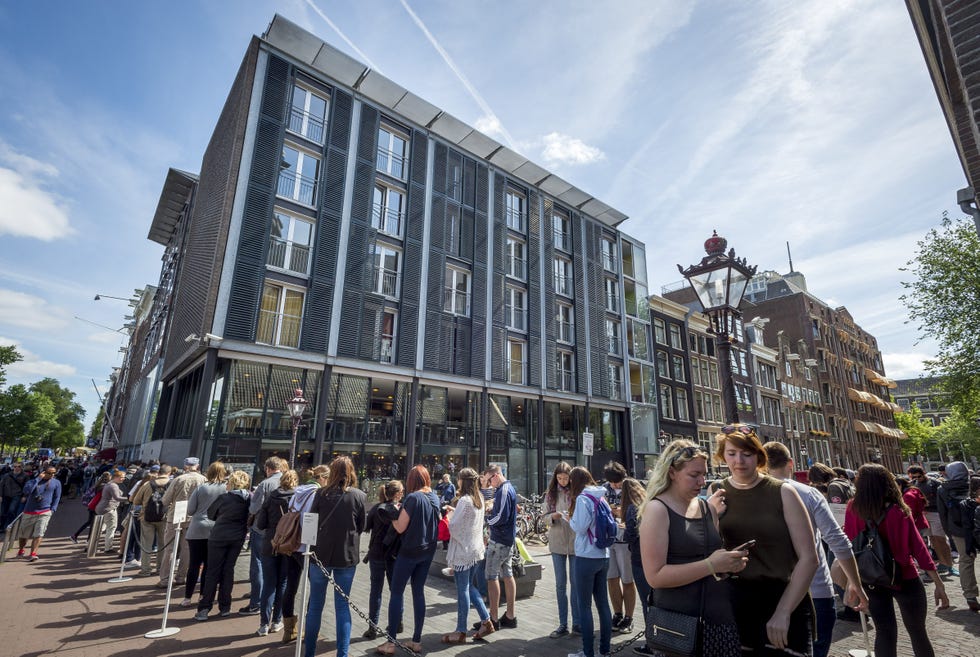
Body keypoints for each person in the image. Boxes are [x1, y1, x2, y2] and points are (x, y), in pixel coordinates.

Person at [713, 424, 818, 656]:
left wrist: (783, 612)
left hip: (782, 598)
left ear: (759, 456)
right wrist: (711, 516)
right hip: (735, 603)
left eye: (747, 454)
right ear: (722, 456)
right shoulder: (717, 492)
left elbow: (809, 559)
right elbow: (708, 552)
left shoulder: (783, 492)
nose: (739, 461)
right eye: (731, 454)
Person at [639, 440, 746, 657]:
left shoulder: (707, 508)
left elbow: (711, 560)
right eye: (694, 475)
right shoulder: (657, 510)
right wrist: (711, 565)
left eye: (704, 474)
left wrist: (727, 565)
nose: (702, 481)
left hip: (719, 620)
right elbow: (655, 577)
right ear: (672, 473)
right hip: (680, 626)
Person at [763, 441, 869, 657]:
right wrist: (854, 583)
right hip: (816, 591)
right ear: (790, 463)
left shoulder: (753, 496)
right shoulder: (809, 494)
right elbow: (837, 540)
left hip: (771, 593)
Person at [843, 463, 949, 657]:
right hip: (905, 577)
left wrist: (852, 582)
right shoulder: (899, 510)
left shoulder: (852, 509)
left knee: (884, 633)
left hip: (872, 578)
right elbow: (919, 548)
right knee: (918, 633)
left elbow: (850, 548)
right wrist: (938, 583)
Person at [304, 456, 366, 657]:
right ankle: (343, 654)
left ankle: (309, 652)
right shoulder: (358, 496)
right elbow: (362, 526)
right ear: (351, 472)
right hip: (346, 556)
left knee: (315, 605)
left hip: (321, 555)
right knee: (342, 606)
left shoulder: (321, 494)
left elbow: (311, 523)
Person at [377, 465, 440, 655]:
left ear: (412, 481)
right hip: (428, 551)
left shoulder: (413, 498)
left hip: (409, 552)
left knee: (397, 593)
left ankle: (390, 643)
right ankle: (416, 640)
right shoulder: (434, 496)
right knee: (418, 591)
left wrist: (392, 517)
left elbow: (400, 527)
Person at [442, 467, 494, 644]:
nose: (457, 482)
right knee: (469, 587)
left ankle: (461, 630)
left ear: (463, 481)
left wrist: (449, 516)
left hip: (463, 552)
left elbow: (454, 528)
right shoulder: (479, 497)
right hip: (476, 549)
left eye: (459, 479)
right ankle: (486, 621)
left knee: (463, 589)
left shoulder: (464, 500)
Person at [279, 464, 329, 645]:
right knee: (315, 589)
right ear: (323, 478)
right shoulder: (318, 494)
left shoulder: (297, 491)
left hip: (291, 543)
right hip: (308, 547)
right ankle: (309, 630)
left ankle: (288, 630)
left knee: (291, 586)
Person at [567, 465, 613, 657]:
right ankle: (605, 650)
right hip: (604, 555)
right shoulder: (601, 497)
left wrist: (567, 519)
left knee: (584, 605)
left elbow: (579, 527)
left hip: (586, 556)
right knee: (603, 604)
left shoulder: (583, 499)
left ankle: (587, 652)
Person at [194, 469, 251, 621]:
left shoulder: (224, 497)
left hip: (219, 536)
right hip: (237, 536)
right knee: (228, 570)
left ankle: (204, 607)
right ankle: (225, 606)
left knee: (212, 571)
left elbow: (211, 514)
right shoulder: (248, 499)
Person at [254, 469, 298, 636]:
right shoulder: (296, 499)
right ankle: (277, 621)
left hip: (270, 543)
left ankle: (263, 624)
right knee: (283, 583)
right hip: (288, 545)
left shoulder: (271, 497)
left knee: (269, 583)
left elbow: (261, 523)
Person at [242, 456, 287, 615]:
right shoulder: (288, 481)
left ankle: (256, 601)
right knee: (280, 570)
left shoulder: (265, 483)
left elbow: (254, 509)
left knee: (258, 565)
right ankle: (275, 603)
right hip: (284, 532)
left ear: (268, 468)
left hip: (262, 529)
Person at [181, 461, 228, 607]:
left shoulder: (201, 488)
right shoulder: (226, 489)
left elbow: (190, 510)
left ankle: (187, 597)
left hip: (197, 527)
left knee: (194, 564)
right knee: (209, 565)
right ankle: (203, 595)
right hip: (216, 528)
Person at [363, 479, 403, 640]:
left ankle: (372, 627)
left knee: (376, 591)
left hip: (377, 554)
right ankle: (398, 623)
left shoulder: (376, 508)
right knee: (396, 590)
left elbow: (366, 527)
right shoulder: (401, 510)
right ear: (398, 494)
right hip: (394, 555)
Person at [159, 457, 207, 589]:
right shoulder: (203, 480)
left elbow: (165, 500)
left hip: (175, 516)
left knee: (169, 549)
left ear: (185, 466)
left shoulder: (178, 479)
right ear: (197, 466)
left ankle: (165, 579)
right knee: (187, 549)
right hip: (193, 518)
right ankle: (181, 577)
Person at [937, 461, 979, 611]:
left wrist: (950, 532)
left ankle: (970, 595)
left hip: (958, 529)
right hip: (977, 525)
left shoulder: (942, 489)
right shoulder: (975, 482)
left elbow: (942, 514)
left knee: (966, 560)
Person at [544, 461, 579, 638]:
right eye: (560, 478)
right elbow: (544, 517)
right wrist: (554, 516)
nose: (563, 481)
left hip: (574, 543)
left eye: (566, 478)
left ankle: (578, 623)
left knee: (576, 584)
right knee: (560, 584)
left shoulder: (576, 492)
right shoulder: (551, 494)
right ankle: (563, 623)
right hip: (557, 542)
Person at [602, 461, 636, 634]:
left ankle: (629, 617)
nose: (616, 485)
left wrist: (620, 512)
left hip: (626, 541)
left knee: (628, 580)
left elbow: (639, 509)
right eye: (613, 483)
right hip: (609, 540)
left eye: (618, 482)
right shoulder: (603, 489)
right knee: (612, 578)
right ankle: (617, 613)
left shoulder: (630, 487)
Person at [619, 477, 651, 655]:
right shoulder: (648, 503)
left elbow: (630, 534)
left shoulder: (631, 508)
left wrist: (625, 535)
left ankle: (651, 642)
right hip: (653, 555)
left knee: (646, 600)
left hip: (639, 557)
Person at [484, 464, 518, 630]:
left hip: (499, 540)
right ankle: (510, 616)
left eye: (490, 480)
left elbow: (501, 517)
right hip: (507, 539)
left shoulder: (504, 490)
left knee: (492, 577)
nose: (490, 485)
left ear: (496, 475)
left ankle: (493, 619)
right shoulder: (507, 489)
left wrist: (486, 519)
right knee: (508, 574)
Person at [908, 465, 956, 576]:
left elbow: (944, 497)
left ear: (923, 473)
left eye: (919, 476)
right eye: (913, 477)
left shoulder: (934, 483)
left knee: (941, 539)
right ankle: (942, 562)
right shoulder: (914, 484)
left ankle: (949, 564)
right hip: (924, 514)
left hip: (935, 513)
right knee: (933, 540)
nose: (917, 479)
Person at [131, 464, 172, 577]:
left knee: (146, 544)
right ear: (169, 473)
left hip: (147, 517)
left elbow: (135, 501)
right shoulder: (172, 484)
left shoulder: (147, 484)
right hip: (165, 517)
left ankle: (145, 569)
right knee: (163, 544)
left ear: (158, 473)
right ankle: (160, 568)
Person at [14, 464, 62, 562]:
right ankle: (21, 549)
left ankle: (33, 554)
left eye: (54, 473)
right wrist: (38, 479)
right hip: (29, 511)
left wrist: (53, 509)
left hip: (45, 511)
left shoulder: (56, 483)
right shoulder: (32, 481)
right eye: (49, 473)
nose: (52, 475)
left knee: (39, 533)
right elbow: (27, 491)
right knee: (24, 535)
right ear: (43, 472)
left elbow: (57, 497)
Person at [71, 472, 110, 544]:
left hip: (92, 505)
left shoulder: (98, 485)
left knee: (90, 522)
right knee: (93, 524)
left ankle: (76, 536)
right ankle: (88, 540)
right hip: (96, 506)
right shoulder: (104, 487)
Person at [94, 469, 127, 554]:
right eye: (122, 477)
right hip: (109, 509)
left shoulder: (109, 484)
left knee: (101, 528)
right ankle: (108, 548)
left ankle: (92, 545)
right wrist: (130, 499)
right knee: (111, 528)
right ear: (116, 477)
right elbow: (117, 498)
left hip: (102, 508)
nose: (123, 479)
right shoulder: (113, 486)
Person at [0, 462, 28, 530]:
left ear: (21, 467)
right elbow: (1, 485)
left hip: (16, 495)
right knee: (3, 511)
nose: (16, 468)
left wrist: (24, 496)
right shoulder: (7, 475)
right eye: (15, 466)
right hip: (6, 495)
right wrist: (0, 495)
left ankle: (8, 525)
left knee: (11, 510)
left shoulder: (25, 476)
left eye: (18, 466)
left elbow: (26, 487)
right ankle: (1, 525)